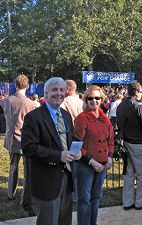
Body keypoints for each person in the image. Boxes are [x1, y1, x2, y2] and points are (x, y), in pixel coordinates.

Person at [21, 77, 81, 225]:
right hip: (47, 179)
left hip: (67, 176)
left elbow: (68, 140)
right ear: (46, 93)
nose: (59, 93)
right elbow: (29, 148)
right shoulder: (33, 117)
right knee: (48, 220)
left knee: (65, 218)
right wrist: (58, 156)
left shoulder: (66, 115)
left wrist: (76, 151)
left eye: (62, 90)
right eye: (54, 90)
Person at [74, 85, 114, 225]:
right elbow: (77, 145)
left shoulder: (106, 119)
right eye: (90, 98)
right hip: (86, 164)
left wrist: (109, 157)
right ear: (86, 100)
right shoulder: (81, 119)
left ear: (102, 99)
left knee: (96, 197)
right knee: (84, 199)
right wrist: (91, 161)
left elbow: (110, 141)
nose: (94, 101)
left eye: (97, 98)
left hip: (102, 164)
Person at [1, 74, 37, 216]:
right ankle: (25, 197)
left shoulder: (6, 101)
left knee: (13, 167)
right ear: (27, 86)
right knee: (28, 171)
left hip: (12, 140)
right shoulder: (32, 104)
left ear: (15, 85)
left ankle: (11, 193)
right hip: (26, 141)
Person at [116, 81, 142, 210]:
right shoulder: (139, 106)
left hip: (125, 143)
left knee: (129, 174)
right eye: (141, 91)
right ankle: (140, 202)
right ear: (137, 92)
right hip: (138, 143)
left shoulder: (121, 105)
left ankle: (127, 202)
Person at [61, 79, 84, 202]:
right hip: (82, 136)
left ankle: (74, 194)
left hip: (70, 136)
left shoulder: (64, 102)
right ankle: (79, 192)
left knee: (71, 165)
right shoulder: (81, 102)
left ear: (68, 89)